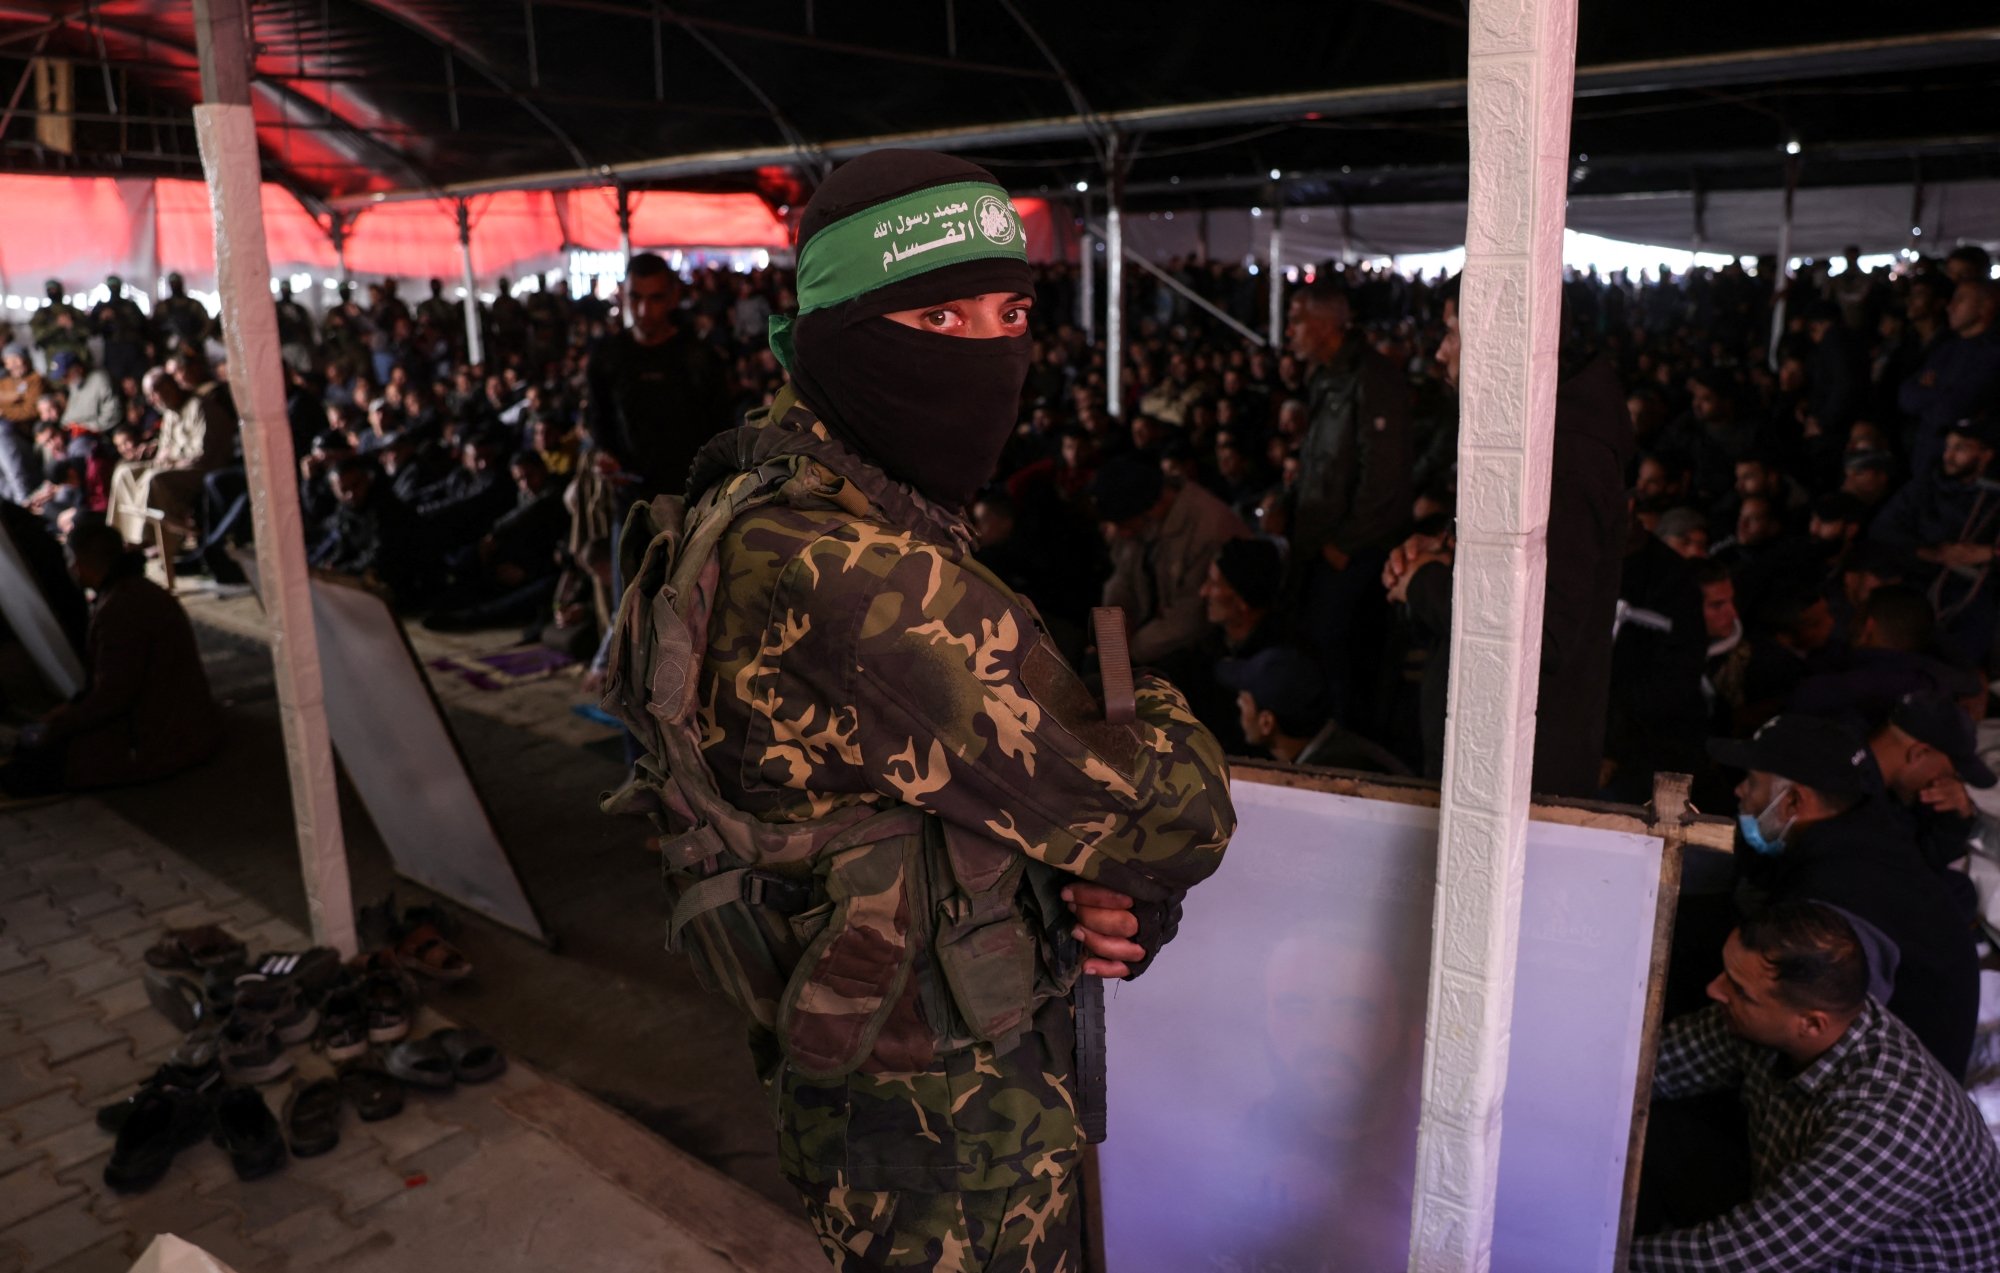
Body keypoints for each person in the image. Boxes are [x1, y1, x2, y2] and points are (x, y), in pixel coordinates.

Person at [602, 149, 1234, 1272]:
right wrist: (1153, 728)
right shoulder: (856, 576)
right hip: (953, 1133)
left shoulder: (769, 493)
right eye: (937, 316)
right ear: (843, 335)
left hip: (890, 1099)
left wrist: (1087, 861)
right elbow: (1171, 809)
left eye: (1008, 311)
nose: (989, 352)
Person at [1631, 903, 2000, 1271]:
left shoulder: (1890, 1126)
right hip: (1799, 1223)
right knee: (1651, 1137)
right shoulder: (1784, 1021)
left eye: (1739, 990)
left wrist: (1593, 1257)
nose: (1715, 989)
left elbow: (1740, 1259)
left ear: (1810, 1025)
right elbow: (1647, 1069)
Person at [1708, 713, 1980, 1078]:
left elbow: (1798, 1028)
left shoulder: (1827, 904)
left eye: (1753, 783)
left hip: (1899, 1085)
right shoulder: (1868, 830)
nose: (1740, 792)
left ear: (1793, 803)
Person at [0, 523, 221, 797]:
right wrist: (68, 709)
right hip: (178, 725)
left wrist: (58, 726)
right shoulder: (135, 591)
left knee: (29, 768)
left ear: (80, 563)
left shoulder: (121, 607)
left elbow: (113, 697)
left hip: (159, 738)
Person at [1283, 279, 1411, 717]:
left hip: (1352, 550)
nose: (1289, 332)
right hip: (1323, 539)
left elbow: (1382, 477)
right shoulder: (1327, 375)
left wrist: (1346, 544)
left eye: (1296, 321)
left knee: (1341, 655)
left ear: (1323, 325)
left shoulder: (1372, 378)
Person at [584, 251, 734, 507]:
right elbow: (599, 418)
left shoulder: (699, 357)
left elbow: (722, 429)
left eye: (655, 298)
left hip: (692, 500)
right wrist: (605, 455)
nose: (644, 310)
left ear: (673, 297)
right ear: (623, 295)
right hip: (631, 498)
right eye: (636, 297)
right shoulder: (608, 356)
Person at [1092, 453, 1248, 666]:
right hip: (1149, 632)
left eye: (1124, 526)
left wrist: (1128, 652)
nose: (1122, 534)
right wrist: (1111, 629)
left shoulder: (1209, 531)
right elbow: (1123, 574)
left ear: (1152, 508)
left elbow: (1190, 619)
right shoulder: (1140, 519)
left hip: (1198, 650)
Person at [1222, 645, 1409, 774]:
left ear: (1266, 723)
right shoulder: (1338, 752)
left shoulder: (1333, 778)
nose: (1238, 703)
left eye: (1244, 701)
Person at [108, 367, 237, 546]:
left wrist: (171, 460)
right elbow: (165, 448)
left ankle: (160, 540)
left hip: (201, 468)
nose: (151, 401)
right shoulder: (169, 413)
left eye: (154, 394)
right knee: (124, 472)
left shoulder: (200, 407)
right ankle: (125, 537)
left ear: (169, 388)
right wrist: (160, 454)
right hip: (174, 464)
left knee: (155, 479)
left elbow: (203, 455)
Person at [52, 352, 120, 436]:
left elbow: (114, 415)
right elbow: (70, 416)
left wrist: (86, 428)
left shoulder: (99, 379)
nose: (63, 381)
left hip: (97, 435)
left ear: (78, 368)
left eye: (65, 375)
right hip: (74, 433)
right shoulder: (74, 385)